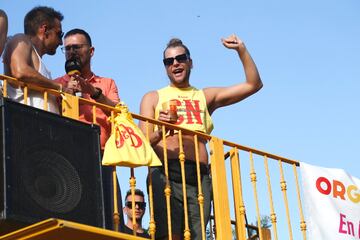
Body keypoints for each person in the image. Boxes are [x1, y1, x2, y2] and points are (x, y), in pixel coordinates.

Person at [139, 34, 262, 240]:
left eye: (180, 58)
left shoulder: (204, 96)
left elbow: (253, 84)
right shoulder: (153, 97)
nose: (175, 63)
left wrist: (241, 49)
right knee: (169, 235)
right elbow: (141, 143)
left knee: (196, 237)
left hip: (198, 176)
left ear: (190, 62)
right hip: (165, 172)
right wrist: (163, 130)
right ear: (165, 67)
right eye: (169, 61)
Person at [55, 28, 123, 231]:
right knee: (73, 222)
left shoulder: (106, 83)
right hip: (67, 159)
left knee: (111, 222)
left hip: (103, 158)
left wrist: (92, 92)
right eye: (67, 49)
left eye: (76, 47)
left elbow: (118, 113)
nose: (71, 52)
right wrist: (64, 91)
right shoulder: (57, 83)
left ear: (91, 51)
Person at [2, 6, 64, 113]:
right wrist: (59, 86)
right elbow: (20, 71)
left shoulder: (41, 66)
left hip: (44, 127)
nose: (61, 42)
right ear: (44, 30)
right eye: (59, 34)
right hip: (25, 125)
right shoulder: (20, 39)